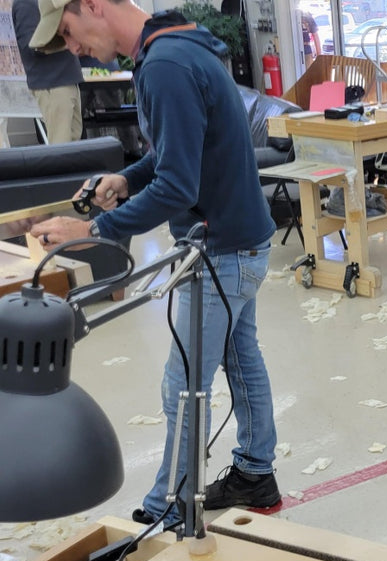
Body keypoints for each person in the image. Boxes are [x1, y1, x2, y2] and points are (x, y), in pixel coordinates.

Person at [27, 0, 281, 529]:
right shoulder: (176, 46)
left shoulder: (164, 65)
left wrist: (91, 230)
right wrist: (127, 179)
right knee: (241, 357)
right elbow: (177, 154)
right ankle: (256, 472)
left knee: (183, 384)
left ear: (94, 5)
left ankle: (171, 505)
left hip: (221, 250)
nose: (74, 51)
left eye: (70, 33)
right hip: (241, 237)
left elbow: (178, 185)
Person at [11, 0, 82, 143]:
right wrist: (66, 39)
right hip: (53, 83)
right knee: (61, 144)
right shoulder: (25, 4)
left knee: (74, 142)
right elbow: (30, 46)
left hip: (68, 79)